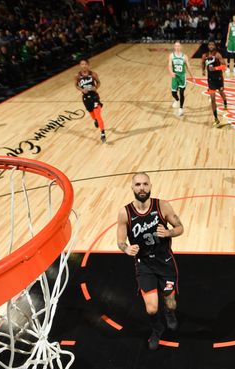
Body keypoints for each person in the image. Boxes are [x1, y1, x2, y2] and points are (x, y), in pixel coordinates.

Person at [116, 173, 185, 351]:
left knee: (171, 303)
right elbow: (121, 241)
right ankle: (157, 329)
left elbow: (180, 228)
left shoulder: (162, 206)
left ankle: (170, 313)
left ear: (150, 186)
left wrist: (168, 233)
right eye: (138, 184)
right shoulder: (125, 213)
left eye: (145, 184)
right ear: (132, 187)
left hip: (165, 261)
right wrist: (126, 249)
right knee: (152, 309)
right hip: (144, 264)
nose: (142, 188)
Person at [75, 59, 106, 143]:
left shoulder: (93, 74)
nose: (84, 66)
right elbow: (76, 85)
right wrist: (81, 89)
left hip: (94, 97)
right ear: (80, 65)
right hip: (85, 98)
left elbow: (99, 83)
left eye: (85, 64)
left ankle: (103, 133)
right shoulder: (77, 76)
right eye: (82, 64)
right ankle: (95, 120)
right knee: (93, 115)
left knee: (98, 115)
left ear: (88, 65)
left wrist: (96, 87)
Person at [202, 41, 228, 128]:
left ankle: (225, 102)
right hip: (211, 80)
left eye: (212, 44)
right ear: (208, 46)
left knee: (221, 93)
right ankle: (216, 119)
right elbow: (202, 63)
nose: (211, 46)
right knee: (213, 99)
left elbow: (224, 66)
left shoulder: (218, 55)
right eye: (209, 44)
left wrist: (216, 68)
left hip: (219, 78)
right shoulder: (205, 56)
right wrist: (203, 70)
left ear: (215, 46)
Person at [168, 42, 193, 117]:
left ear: (181, 47)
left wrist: (192, 76)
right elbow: (169, 65)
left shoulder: (184, 56)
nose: (177, 47)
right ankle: (177, 99)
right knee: (173, 93)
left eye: (179, 46)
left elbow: (188, 66)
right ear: (174, 47)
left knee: (182, 93)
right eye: (176, 46)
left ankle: (181, 109)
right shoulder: (171, 55)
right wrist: (171, 72)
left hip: (182, 77)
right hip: (175, 77)